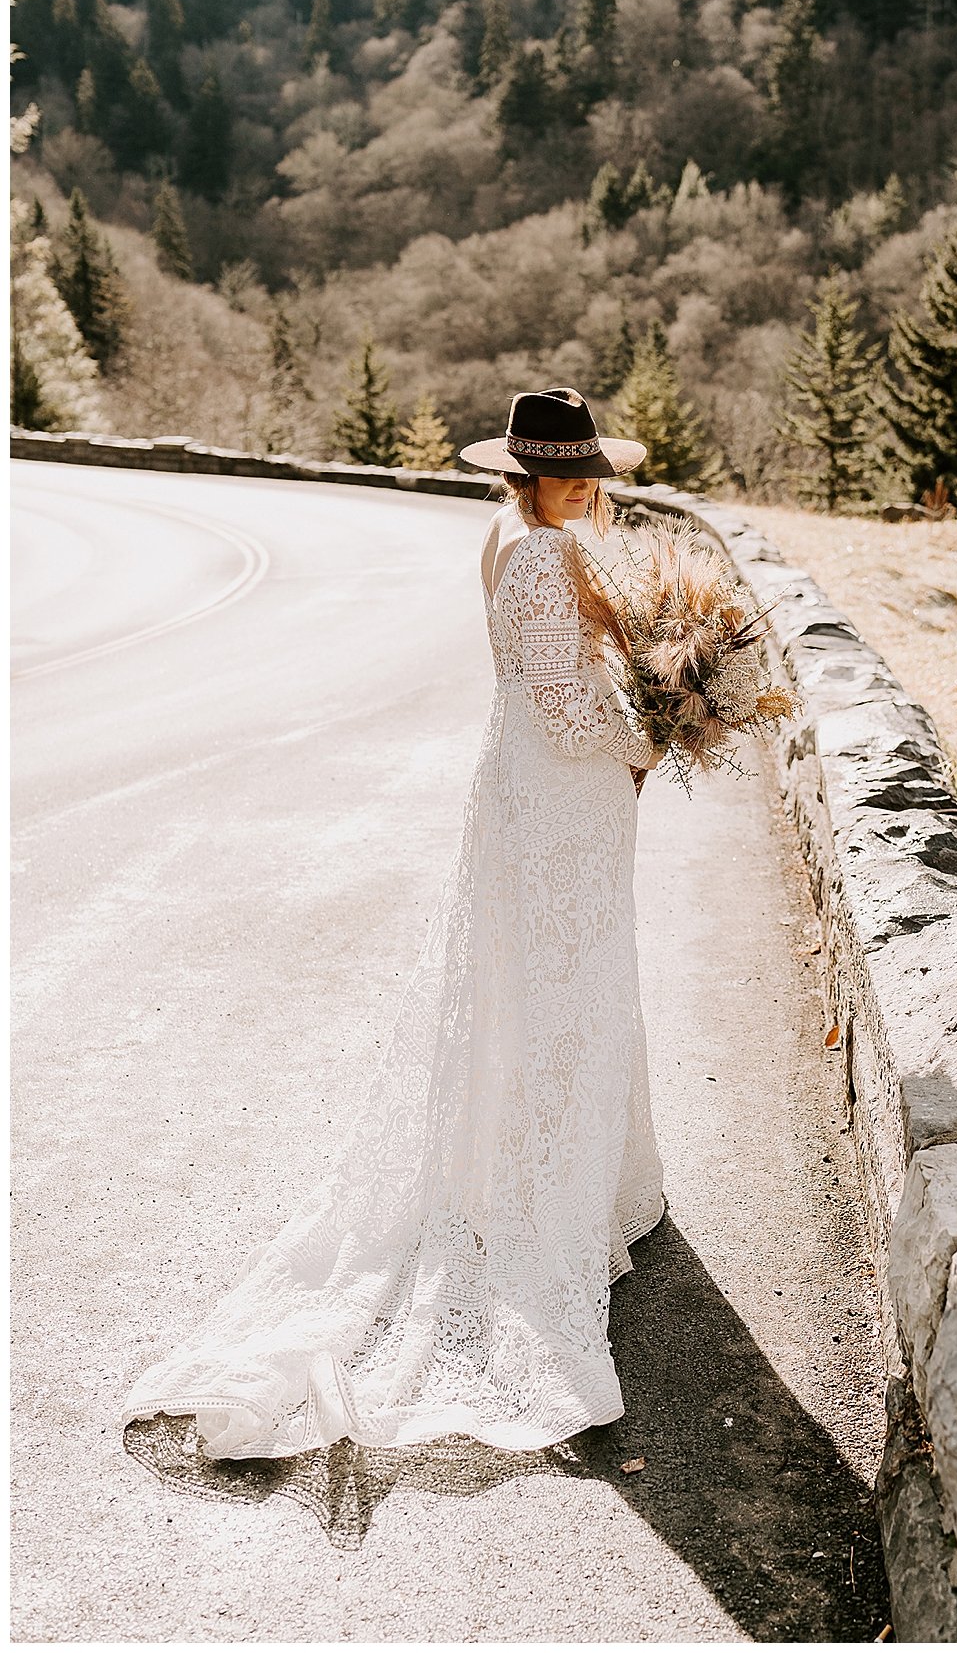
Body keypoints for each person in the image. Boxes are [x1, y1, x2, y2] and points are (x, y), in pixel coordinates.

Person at [120, 387, 667, 1463]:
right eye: (578, 473)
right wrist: (646, 738)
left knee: (534, 974)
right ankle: (549, 1186)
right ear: (545, 475)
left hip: (515, 781)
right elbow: (566, 703)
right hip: (561, 790)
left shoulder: (504, 534)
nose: (591, 485)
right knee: (569, 974)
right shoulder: (552, 554)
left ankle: (544, 1164)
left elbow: (529, 680)